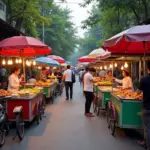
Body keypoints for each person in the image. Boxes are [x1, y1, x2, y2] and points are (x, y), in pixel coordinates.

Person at [138, 61, 150, 150]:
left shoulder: (144, 79)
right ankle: (145, 142)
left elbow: (138, 92)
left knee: (147, 128)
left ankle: (148, 145)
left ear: (147, 68)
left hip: (147, 107)